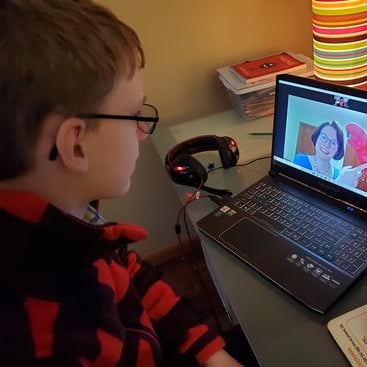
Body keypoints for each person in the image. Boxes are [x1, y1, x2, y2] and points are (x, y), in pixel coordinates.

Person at [0, 1, 244, 366]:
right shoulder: (45, 336)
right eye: (134, 115)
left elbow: (128, 270)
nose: (143, 133)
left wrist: (210, 352)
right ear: (74, 144)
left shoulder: (68, 221)